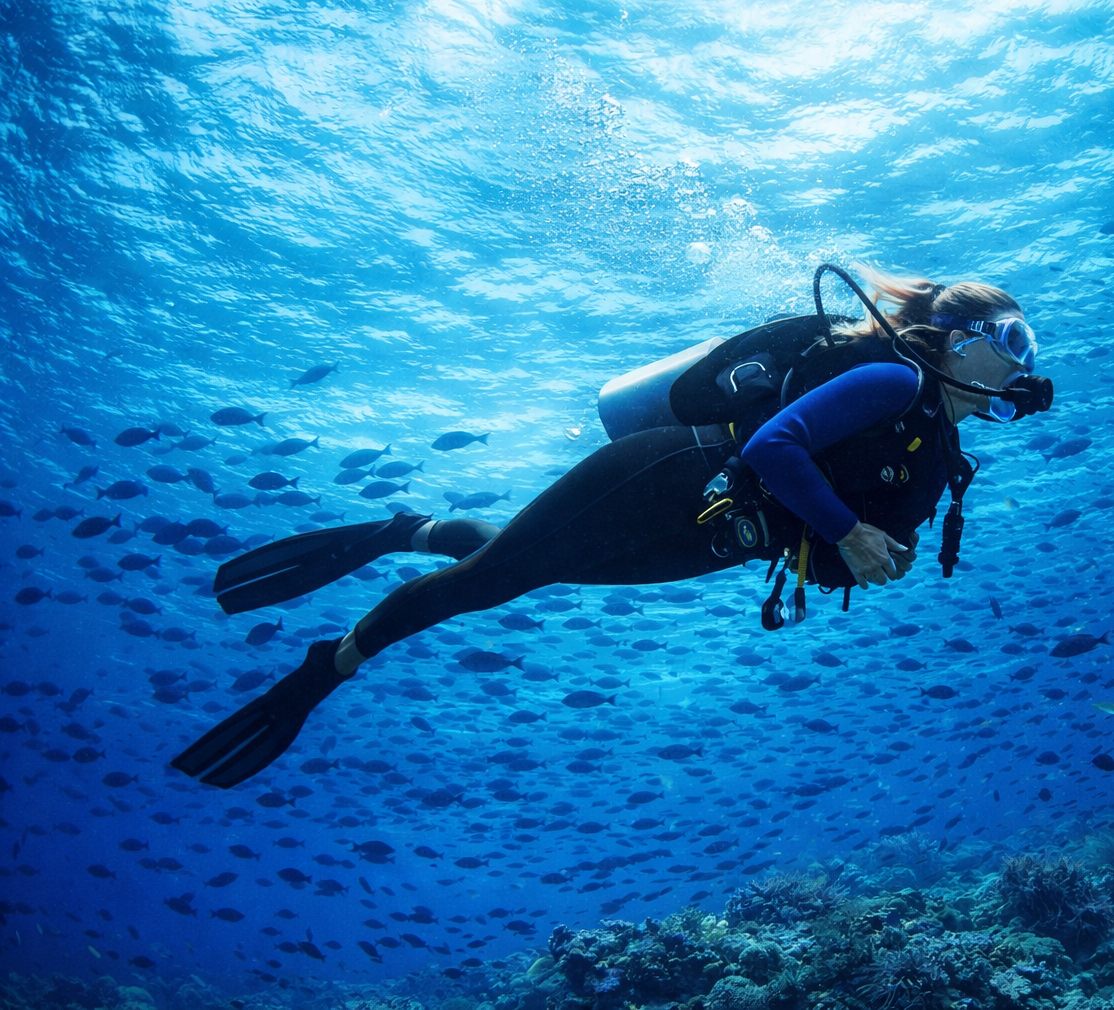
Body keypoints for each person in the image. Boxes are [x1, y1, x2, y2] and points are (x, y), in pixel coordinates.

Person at [171, 266, 1050, 788]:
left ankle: (414, 527)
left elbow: (830, 511)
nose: (1020, 364)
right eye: (1010, 339)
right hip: (676, 473)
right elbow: (778, 445)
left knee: (527, 566)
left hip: (719, 531)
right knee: (486, 586)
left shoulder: (932, 435)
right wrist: (851, 535)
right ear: (956, 336)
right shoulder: (898, 383)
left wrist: (853, 551)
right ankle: (326, 668)